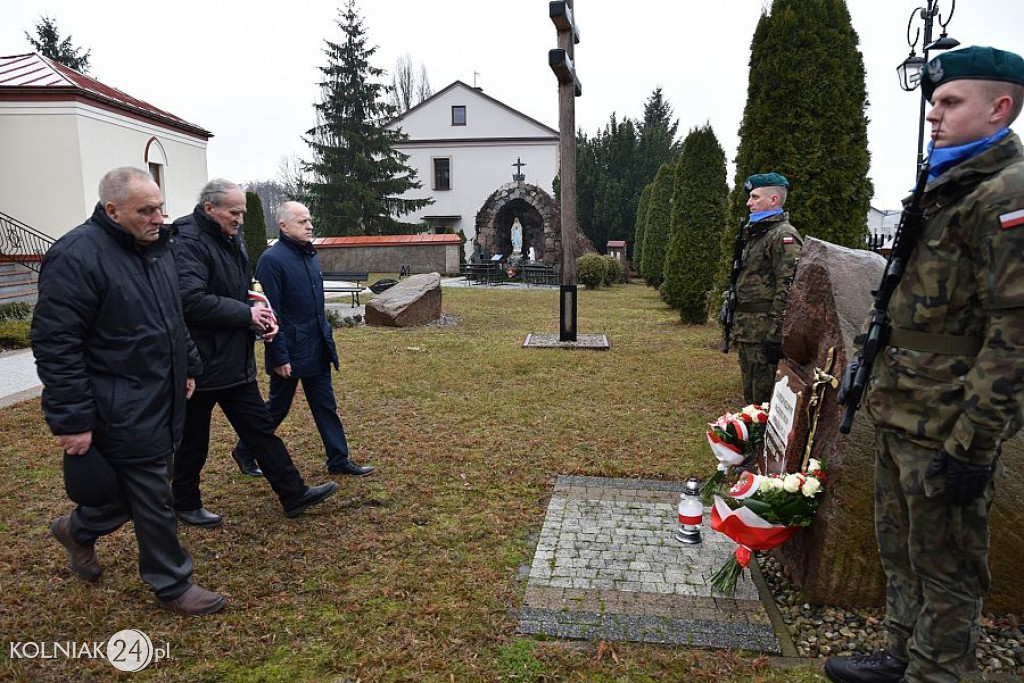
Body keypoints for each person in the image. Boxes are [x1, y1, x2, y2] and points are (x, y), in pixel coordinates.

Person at [825, 46, 1024, 683]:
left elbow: (1013, 331)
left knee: (947, 566)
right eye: (933, 103)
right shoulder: (947, 184)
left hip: (949, 421)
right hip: (903, 404)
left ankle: (938, 672)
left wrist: (975, 443)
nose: (932, 115)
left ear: (1000, 108)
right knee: (902, 548)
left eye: (949, 102)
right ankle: (900, 653)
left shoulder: (1006, 193)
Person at [31, 167, 224, 615]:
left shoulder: (154, 248)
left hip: (161, 391)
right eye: (147, 210)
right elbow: (56, 344)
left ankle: (78, 530)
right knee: (154, 492)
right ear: (112, 210)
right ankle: (172, 584)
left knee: (133, 493)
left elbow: (172, 316)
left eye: (160, 206)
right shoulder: (76, 256)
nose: (160, 217)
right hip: (117, 401)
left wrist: (188, 365)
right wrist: (73, 419)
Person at [172, 179, 338, 526]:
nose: (240, 219)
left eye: (243, 212)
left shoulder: (231, 238)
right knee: (193, 440)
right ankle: (184, 503)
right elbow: (189, 301)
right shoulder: (186, 241)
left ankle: (293, 494)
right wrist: (245, 313)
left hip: (233, 357)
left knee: (261, 430)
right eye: (234, 212)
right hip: (200, 361)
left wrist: (256, 305)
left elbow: (236, 288)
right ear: (209, 209)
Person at [231, 201, 375, 477]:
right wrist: (279, 355)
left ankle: (339, 459)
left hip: (317, 344)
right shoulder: (271, 261)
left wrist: (325, 338)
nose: (309, 225)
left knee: (325, 405)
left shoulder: (309, 255)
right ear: (283, 226)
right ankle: (245, 449)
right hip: (291, 349)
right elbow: (272, 314)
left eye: (309, 220)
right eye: (301, 221)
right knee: (277, 407)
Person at [732, 172, 803, 405]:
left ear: (773, 200)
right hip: (748, 328)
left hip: (764, 330)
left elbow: (789, 286)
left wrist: (776, 334)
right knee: (751, 393)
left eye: (754, 197)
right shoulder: (757, 234)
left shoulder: (783, 235)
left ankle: (762, 439)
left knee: (764, 398)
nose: (748, 203)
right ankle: (752, 436)